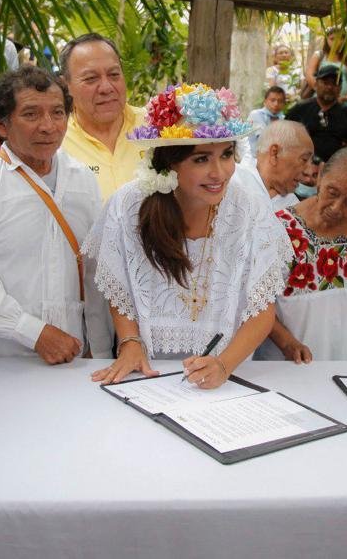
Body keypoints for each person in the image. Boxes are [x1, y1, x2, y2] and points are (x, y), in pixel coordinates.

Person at [85, 83, 292, 388]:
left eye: (226, 155)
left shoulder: (247, 208)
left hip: (226, 379)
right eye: (200, 159)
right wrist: (130, 342)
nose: (219, 172)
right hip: (145, 375)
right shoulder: (128, 205)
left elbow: (262, 309)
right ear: (169, 161)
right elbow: (120, 287)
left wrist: (224, 364)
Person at [0, 66, 112, 389]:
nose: (48, 127)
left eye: (58, 113)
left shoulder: (82, 180)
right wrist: (32, 332)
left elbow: (94, 274)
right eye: (31, 114)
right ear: (1, 123)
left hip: (75, 359)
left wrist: (100, 349)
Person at [256, 148, 347, 362]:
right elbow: (256, 300)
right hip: (293, 365)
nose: (336, 207)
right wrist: (287, 342)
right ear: (320, 176)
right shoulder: (279, 228)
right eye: (332, 192)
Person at [59, 33, 146, 199]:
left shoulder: (157, 126)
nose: (106, 88)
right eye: (91, 79)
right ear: (65, 86)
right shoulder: (54, 142)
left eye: (114, 75)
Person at [236, 120, 314, 211]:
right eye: (304, 159)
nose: (309, 171)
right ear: (275, 153)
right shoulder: (230, 183)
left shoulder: (293, 209)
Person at [286, 64, 347, 163]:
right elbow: (285, 135)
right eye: (325, 82)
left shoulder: (346, 113)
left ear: (340, 88)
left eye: (334, 83)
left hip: (332, 168)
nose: (330, 87)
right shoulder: (300, 109)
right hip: (302, 167)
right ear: (315, 84)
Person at [304, 27, 347, 113]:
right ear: (326, 40)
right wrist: (321, 92)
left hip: (343, 101)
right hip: (321, 100)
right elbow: (309, 75)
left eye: (339, 38)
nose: (336, 42)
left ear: (344, 40)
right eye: (332, 39)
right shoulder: (319, 55)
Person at [245, 85, 286, 160]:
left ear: (284, 104)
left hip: (271, 162)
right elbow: (265, 138)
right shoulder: (255, 115)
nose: (276, 104)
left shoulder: (283, 119)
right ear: (265, 101)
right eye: (272, 100)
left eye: (280, 101)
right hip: (252, 161)